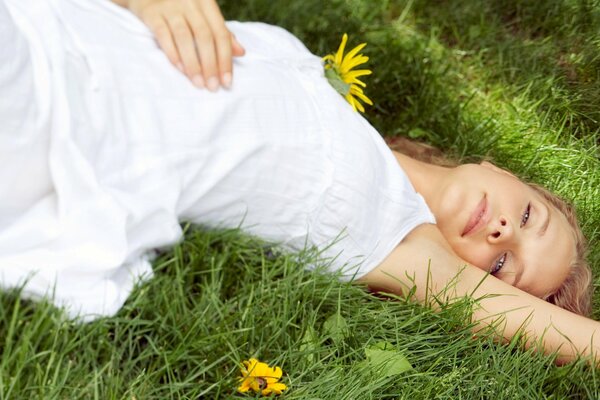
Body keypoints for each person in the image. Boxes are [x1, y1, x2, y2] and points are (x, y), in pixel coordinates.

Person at [0, 0, 597, 365]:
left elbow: (562, 336)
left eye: (500, 267)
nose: (499, 231)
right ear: (501, 172)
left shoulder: (401, 242)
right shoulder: (330, 90)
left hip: (57, 127)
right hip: (59, 24)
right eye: (525, 219)